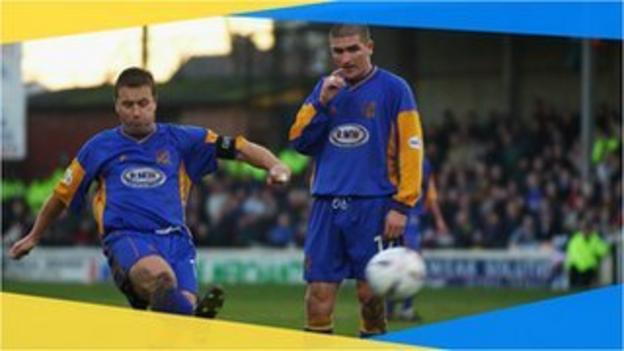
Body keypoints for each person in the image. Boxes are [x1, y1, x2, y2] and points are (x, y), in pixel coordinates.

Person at [9, 67, 291, 317]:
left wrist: (275, 165)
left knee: (174, 317)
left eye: (142, 103)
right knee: (163, 280)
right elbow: (61, 195)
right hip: (127, 236)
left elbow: (239, 147)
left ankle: (178, 319)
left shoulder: (182, 140)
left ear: (155, 103)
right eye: (128, 104)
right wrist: (34, 235)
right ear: (117, 107)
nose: (135, 111)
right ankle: (188, 318)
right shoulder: (98, 147)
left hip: (177, 240)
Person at [289, 24, 424, 337]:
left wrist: (402, 205)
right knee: (318, 298)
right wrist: (321, 103)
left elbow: (412, 148)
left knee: (370, 297)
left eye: (353, 49)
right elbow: (299, 141)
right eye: (338, 51)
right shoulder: (324, 89)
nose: (345, 58)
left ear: (370, 47)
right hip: (326, 205)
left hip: (374, 206)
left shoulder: (395, 88)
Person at [386, 157, 447, 322]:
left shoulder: (423, 163)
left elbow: (430, 193)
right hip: (399, 213)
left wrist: (438, 219)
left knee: (407, 262)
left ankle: (399, 309)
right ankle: (396, 309)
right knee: (402, 261)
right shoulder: (394, 158)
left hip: (411, 216)